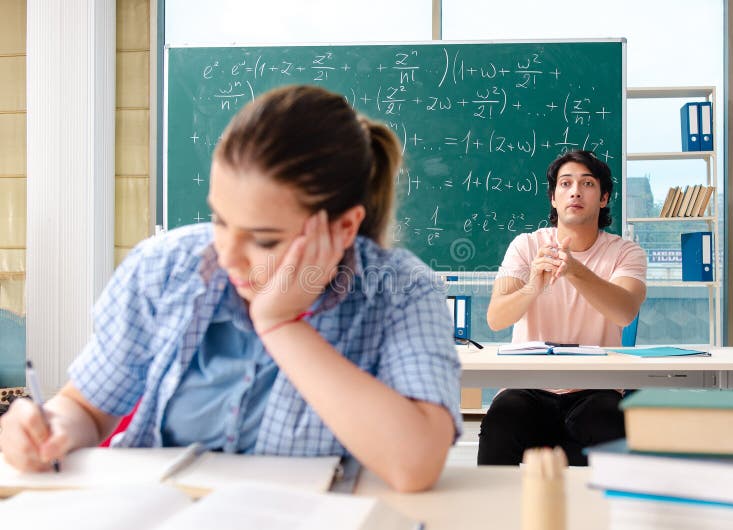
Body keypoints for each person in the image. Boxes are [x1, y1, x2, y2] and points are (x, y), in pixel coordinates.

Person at [0, 85, 462, 492]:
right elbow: (88, 408)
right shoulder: (163, 267)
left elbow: (414, 465)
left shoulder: (402, 291)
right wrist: (48, 427)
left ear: (344, 228)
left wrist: (279, 324)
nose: (227, 256)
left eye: (264, 239)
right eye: (220, 220)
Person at [478, 150, 646, 466]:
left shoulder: (626, 252)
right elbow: (496, 318)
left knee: (609, 425)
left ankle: (609, 499)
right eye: (566, 183)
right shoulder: (526, 246)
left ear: (604, 198)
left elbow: (625, 311)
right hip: (528, 386)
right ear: (554, 198)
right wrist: (533, 285)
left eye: (587, 183)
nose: (575, 192)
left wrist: (573, 270)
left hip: (596, 388)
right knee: (501, 422)